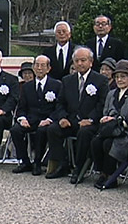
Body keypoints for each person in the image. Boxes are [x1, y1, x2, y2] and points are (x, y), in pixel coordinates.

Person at [44, 47, 109, 180]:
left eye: (83, 60)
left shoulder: (100, 80)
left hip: (91, 122)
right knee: (52, 129)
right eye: (77, 61)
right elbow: (60, 102)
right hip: (71, 120)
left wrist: (90, 119)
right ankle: (63, 164)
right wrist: (62, 117)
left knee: (84, 133)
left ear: (90, 62)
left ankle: (79, 168)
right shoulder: (67, 80)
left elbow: (102, 104)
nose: (79, 64)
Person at [91, 60, 128, 190]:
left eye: (123, 77)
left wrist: (122, 122)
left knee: (110, 144)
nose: (119, 80)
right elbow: (105, 111)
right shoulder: (111, 93)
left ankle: (111, 175)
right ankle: (102, 172)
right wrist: (106, 118)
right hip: (110, 130)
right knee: (96, 142)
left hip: (126, 131)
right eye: (117, 77)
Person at [9, 55, 63, 175]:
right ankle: (25, 161)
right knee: (15, 130)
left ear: (48, 68)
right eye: (37, 65)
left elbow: (59, 107)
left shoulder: (56, 85)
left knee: (41, 131)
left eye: (43, 66)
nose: (39, 68)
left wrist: (49, 119)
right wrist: (22, 119)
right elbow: (21, 107)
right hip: (30, 119)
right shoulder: (27, 86)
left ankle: (38, 162)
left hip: (47, 120)